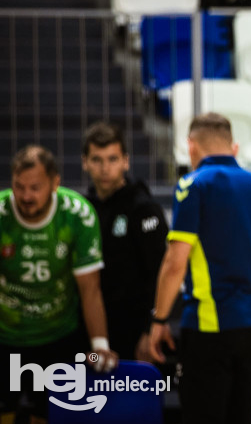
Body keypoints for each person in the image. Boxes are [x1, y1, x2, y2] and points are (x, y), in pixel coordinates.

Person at [149, 113, 251, 424]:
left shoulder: (193, 185)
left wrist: (159, 319)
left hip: (209, 326)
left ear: (191, 146)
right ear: (233, 147)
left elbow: (174, 263)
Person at [0, 145, 118, 421]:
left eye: (35, 188)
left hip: (58, 334)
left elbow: (90, 289)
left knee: (51, 414)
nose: (25, 196)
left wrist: (99, 345)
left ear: (55, 184)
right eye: (19, 187)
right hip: (5, 334)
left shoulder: (77, 215)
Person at [82, 122, 168, 363]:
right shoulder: (84, 210)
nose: (105, 168)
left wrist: (149, 329)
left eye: (112, 159)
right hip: (94, 328)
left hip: (135, 328)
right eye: (97, 160)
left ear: (126, 161)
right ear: (85, 162)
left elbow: (159, 273)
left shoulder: (143, 208)